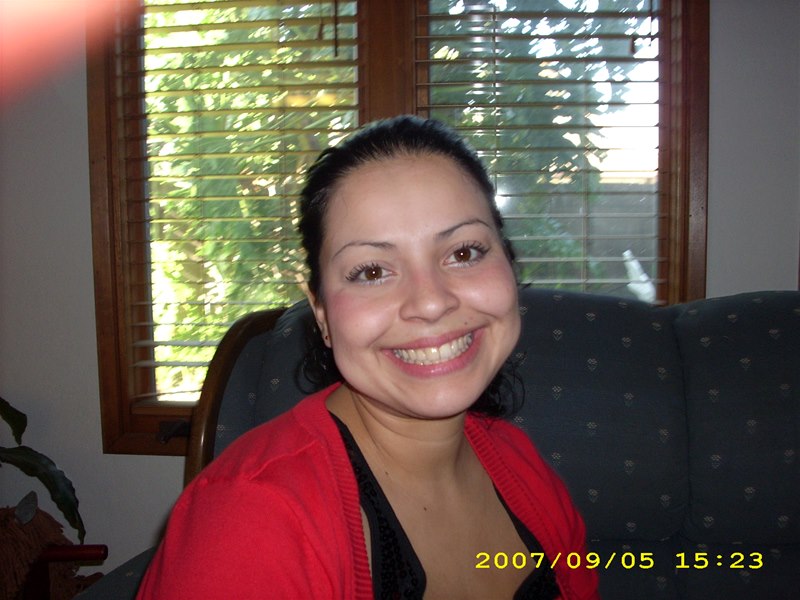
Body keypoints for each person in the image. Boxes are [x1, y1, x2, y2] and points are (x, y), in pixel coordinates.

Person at [137, 116, 599, 599]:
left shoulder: (524, 467)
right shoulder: (249, 520)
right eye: (372, 271)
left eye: (464, 253)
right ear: (320, 313)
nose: (430, 302)